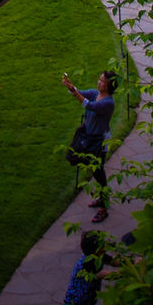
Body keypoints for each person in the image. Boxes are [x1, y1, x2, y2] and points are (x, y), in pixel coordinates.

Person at [60, 68, 116, 215]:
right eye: (100, 79)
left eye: (102, 81)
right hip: (90, 137)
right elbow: (81, 94)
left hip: (99, 141)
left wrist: (75, 91)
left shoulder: (108, 103)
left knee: (99, 171)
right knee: (94, 169)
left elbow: (89, 105)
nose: (99, 82)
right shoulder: (95, 94)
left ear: (109, 85)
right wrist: (72, 88)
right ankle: (102, 198)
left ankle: (104, 205)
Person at [62, 230, 108, 305]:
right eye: (103, 244)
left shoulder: (99, 255)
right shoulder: (87, 263)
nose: (106, 246)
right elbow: (103, 274)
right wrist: (124, 273)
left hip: (88, 299)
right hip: (76, 303)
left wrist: (131, 262)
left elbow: (113, 261)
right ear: (96, 250)